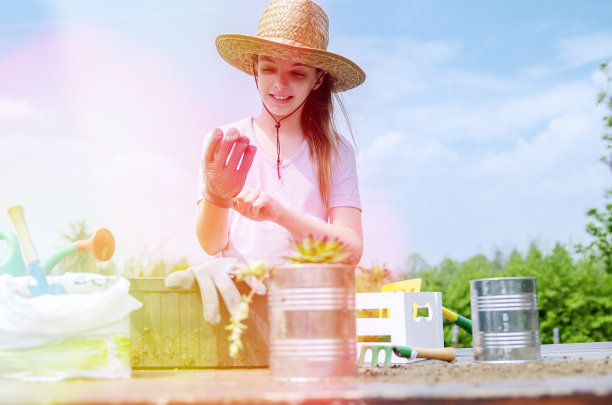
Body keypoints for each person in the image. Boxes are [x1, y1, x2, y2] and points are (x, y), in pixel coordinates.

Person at [193, 0, 366, 364]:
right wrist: (216, 196)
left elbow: (350, 250)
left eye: (298, 73)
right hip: (240, 316)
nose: (280, 85)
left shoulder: (336, 152)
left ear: (318, 78)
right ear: (253, 68)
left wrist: (278, 213)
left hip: (311, 319)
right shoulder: (226, 142)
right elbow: (211, 244)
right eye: (269, 68)